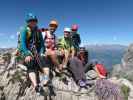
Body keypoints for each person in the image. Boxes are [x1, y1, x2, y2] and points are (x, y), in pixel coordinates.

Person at [17, 13, 49, 93]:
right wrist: (27, 54)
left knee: (44, 60)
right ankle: (36, 86)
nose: (33, 22)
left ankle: (46, 79)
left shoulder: (38, 31)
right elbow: (22, 43)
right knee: (30, 62)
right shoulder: (24, 30)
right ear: (27, 22)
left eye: (34, 21)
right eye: (31, 21)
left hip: (36, 51)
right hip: (26, 50)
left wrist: (41, 52)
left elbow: (42, 44)